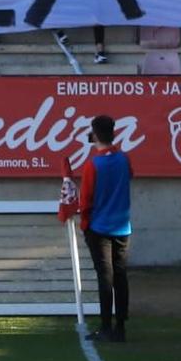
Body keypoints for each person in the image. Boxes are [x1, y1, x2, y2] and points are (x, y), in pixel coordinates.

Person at [77, 115, 133, 342]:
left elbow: (86, 198)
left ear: (96, 134)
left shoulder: (93, 165)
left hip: (99, 227)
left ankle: (105, 326)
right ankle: (120, 326)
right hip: (122, 226)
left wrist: (84, 223)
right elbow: (130, 176)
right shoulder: (123, 159)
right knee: (120, 276)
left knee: (105, 278)